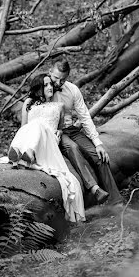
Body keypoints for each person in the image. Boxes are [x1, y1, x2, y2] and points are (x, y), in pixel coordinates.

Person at [8, 74, 86, 223]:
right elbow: (23, 127)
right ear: (38, 89)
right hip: (30, 136)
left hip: (48, 142)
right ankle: (19, 152)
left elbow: (60, 128)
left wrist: (60, 132)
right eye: (45, 85)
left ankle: (26, 153)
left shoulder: (59, 106)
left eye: (50, 84)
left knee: (38, 125)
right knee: (32, 126)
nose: (50, 87)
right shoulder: (28, 103)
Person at [49, 58, 122, 205]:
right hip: (54, 132)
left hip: (71, 130)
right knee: (73, 147)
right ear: (50, 72)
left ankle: (116, 201)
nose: (58, 83)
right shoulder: (43, 89)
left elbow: (85, 117)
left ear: (67, 77)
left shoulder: (72, 90)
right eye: (56, 78)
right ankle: (94, 189)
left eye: (62, 80)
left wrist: (97, 143)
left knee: (99, 156)